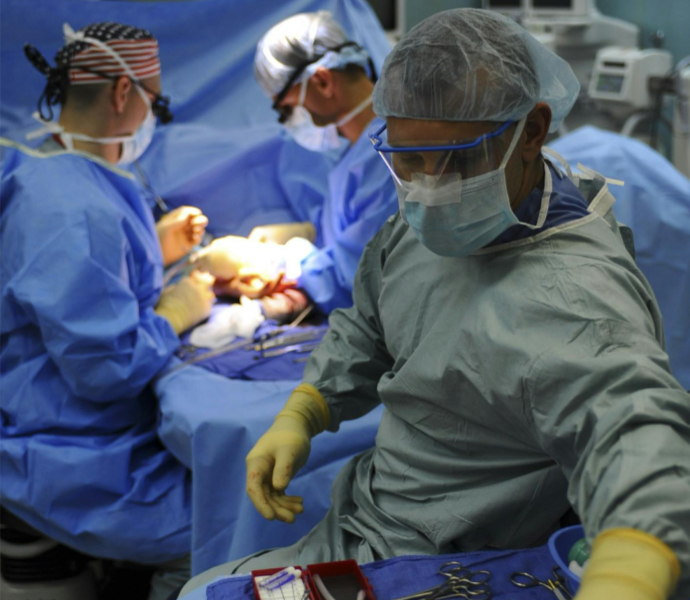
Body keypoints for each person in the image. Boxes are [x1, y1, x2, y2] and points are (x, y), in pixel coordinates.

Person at [179, 9, 690, 600]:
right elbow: (371, 320)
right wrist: (308, 407)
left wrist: (632, 563)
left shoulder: (573, 298)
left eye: (455, 160)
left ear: (532, 130)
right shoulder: (435, 215)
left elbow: (638, 438)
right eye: (406, 160)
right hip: (366, 521)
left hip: (454, 564)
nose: (428, 186)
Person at [1, 22, 215, 600]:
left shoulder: (47, 165)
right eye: (155, 99)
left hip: (67, 428)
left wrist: (154, 245)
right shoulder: (72, 209)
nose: (151, 114)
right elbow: (106, 367)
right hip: (65, 454)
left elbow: (67, 286)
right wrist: (175, 312)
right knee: (223, 531)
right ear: (124, 93)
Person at [192, 11, 398, 316]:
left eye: (287, 109)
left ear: (323, 81)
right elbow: (354, 226)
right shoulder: (360, 150)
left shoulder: (386, 157)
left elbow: (356, 279)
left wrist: (277, 262)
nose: (290, 122)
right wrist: (308, 232)